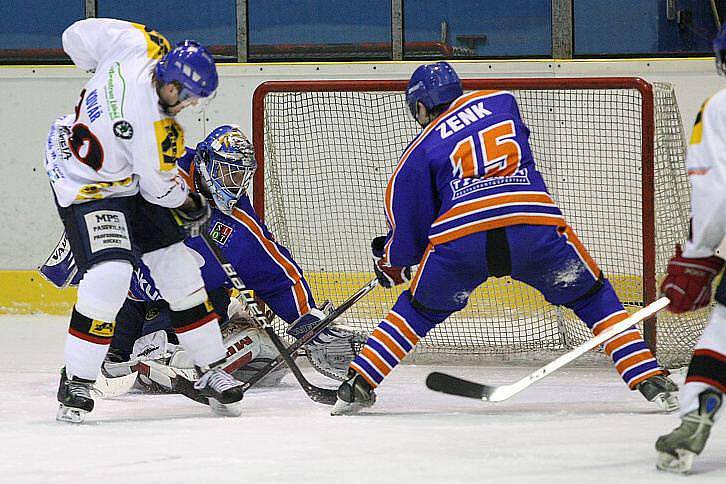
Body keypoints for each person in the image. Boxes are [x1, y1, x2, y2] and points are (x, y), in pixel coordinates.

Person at [331, 61, 679, 415]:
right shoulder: (501, 102)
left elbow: (410, 227)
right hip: (532, 226)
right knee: (593, 297)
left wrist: (392, 262)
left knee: (416, 311)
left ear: (419, 107)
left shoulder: (418, 151)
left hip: (461, 239)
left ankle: (358, 383)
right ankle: (648, 376)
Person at [41, 125, 360, 393]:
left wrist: (307, 322)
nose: (232, 184)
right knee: (108, 360)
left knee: (163, 358)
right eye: (227, 172)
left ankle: (225, 342)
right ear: (205, 161)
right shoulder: (162, 174)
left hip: (185, 306)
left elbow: (278, 277)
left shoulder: (239, 225)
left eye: (240, 177)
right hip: (131, 295)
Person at [44, 18, 243, 422]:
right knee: (110, 274)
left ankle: (210, 367)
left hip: (128, 175)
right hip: (85, 182)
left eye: (193, 98)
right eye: (182, 93)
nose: (185, 102)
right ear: (168, 78)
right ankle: (77, 379)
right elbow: (160, 190)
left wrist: (95, 73)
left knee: (179, 268)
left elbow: (75, 35)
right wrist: (192, 204)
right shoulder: (157, 131)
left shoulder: (141, 42)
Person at [655, 26, 726, 474]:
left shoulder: (720, 107)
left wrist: (698, 253)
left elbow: (716, 193)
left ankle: (696, 417)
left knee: (723, 330)